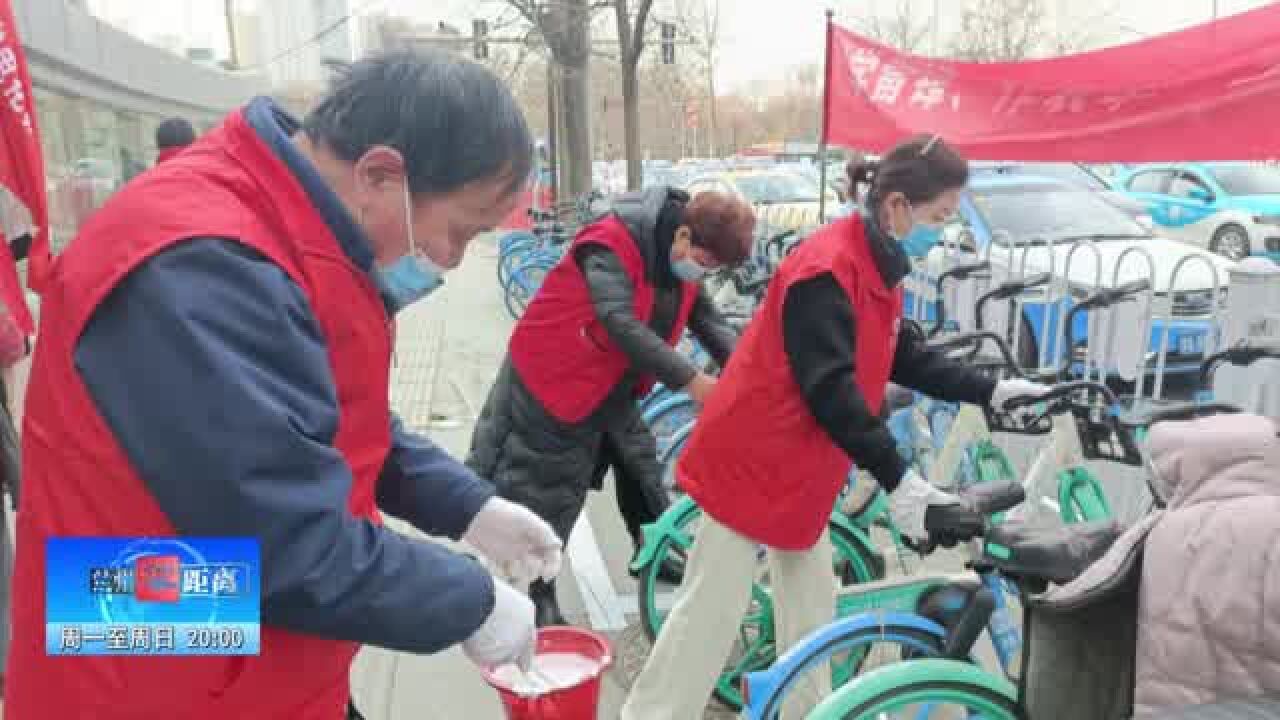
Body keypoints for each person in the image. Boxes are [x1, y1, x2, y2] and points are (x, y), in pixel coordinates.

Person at [7, 50, 563, 719]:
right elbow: (287, 544)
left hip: (231, 634)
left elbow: (323, 421)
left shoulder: (287, 226)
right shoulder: (202, 264)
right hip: (151, 652)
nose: (450, 260)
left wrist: (468, 507)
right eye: (461, 229)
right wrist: (468, 600)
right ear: (380, 174)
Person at [621, 134, 1052, 720]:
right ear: (897, 206)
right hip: (753, 459)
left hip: (797, 466)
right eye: (940, 216)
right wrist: (900, 481)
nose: (944, 231)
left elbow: (903, 356)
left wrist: (991, 388)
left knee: (811, 611)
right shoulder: (827, 267)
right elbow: (832, 392)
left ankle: (809, 712)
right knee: (710, 613)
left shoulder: (877, 262)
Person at [467, 187, 754, 626]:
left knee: (639, 465)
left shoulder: (683, 261)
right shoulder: (612, 242)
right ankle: (537, 592)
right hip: (556, 376)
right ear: (682, 235)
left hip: (610, 380)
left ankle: (653, 549)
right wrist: (691, 380)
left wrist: (744, 377)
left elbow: (708, 320)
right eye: (705, 262)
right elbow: (616, 319)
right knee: (550, 488)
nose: (703, 272)